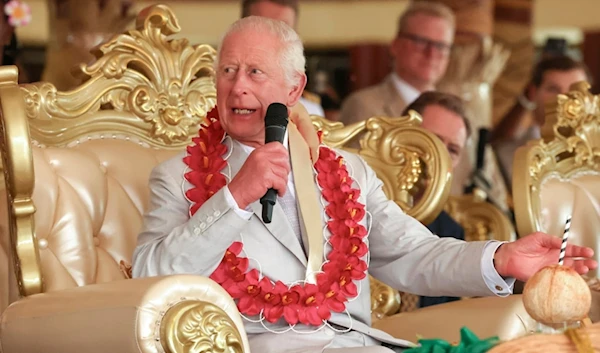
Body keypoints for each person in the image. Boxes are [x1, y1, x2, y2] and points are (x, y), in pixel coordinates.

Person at [132, 17, 596, 353]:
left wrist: (503, 258)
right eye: (227, 71)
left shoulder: (347, 173)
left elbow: (413, 253)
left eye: (255, 72)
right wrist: (234, 197)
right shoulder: (178, 177)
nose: (237, 88)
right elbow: (150, 274)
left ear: (295, 90)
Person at [399, 92, 469, 310]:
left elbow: (447, 319)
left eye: (453, 150)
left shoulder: (451, 231)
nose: (441, 156)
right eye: (434, 141)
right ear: (400, 135)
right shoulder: (357, 205)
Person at [339, 2, 453, 131]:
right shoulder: (363, 106)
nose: (431, 53)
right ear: (395, 45)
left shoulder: (455, 112)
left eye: (441, 46)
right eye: (421, 42)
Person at [492, 55, 590, 183]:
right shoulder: (508, 154)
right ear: (533, 92)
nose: (564, 99)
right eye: (553, 89)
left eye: (575, 90)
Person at [241, 0, 325, 117]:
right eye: (262, 28)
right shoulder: (214, 102)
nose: (272, 39)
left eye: (283, 30)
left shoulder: (310, 112)